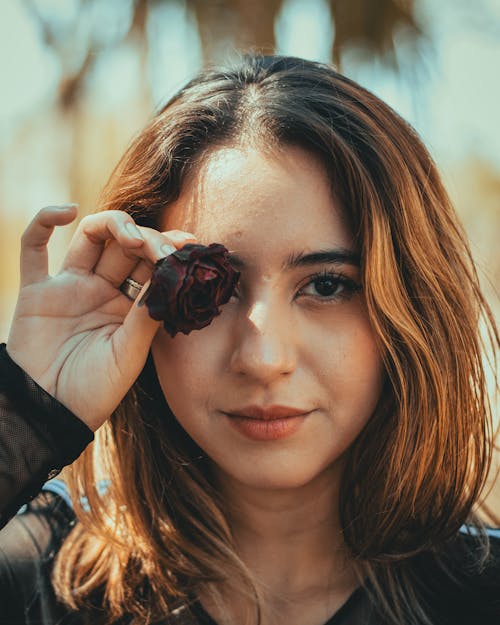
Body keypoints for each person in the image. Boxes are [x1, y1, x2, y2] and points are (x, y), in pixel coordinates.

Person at [0, 54, 499, 625]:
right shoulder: (32, 578)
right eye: (214, 287)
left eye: (328, 285)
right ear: (135, 293)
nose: (263, 360)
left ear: (410, 305)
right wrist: (27, 413)